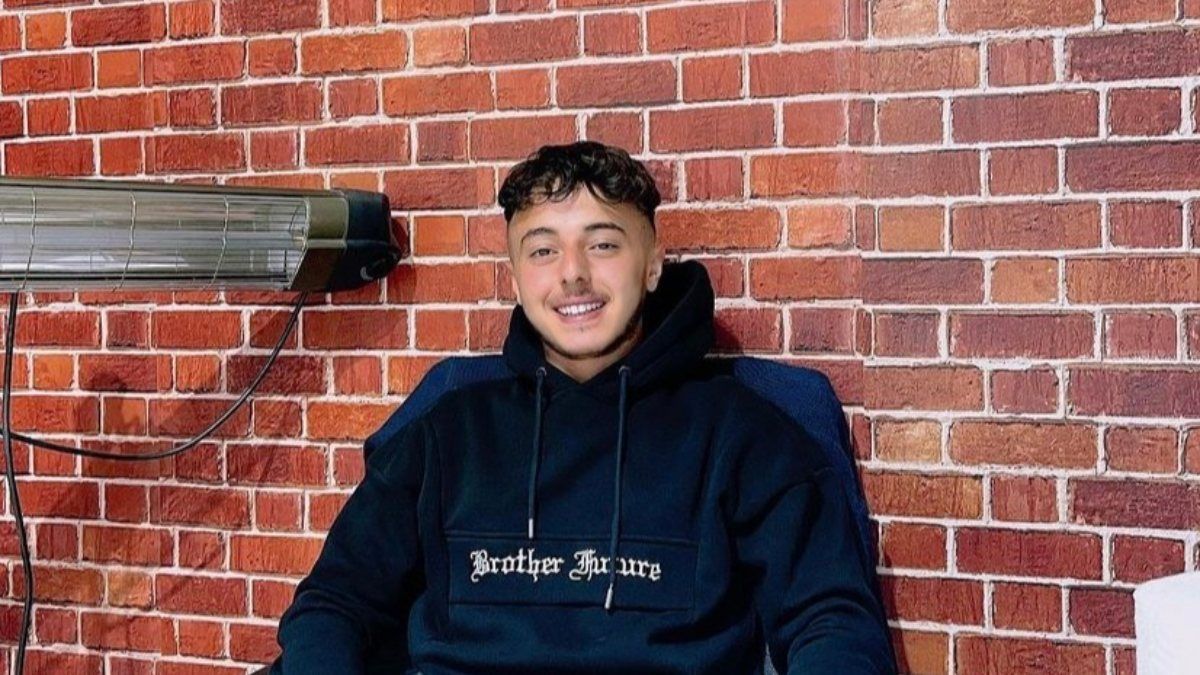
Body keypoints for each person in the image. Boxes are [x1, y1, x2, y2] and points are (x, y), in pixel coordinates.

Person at [271, 141, 895, 674]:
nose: (572, 274)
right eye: (543, 250)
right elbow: (335, 604)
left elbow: (832, 622)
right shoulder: (446, 429)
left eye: (602, 245)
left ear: (652, 264)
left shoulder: (745, 435)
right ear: (516, 277)